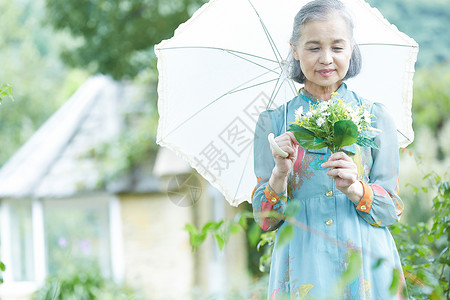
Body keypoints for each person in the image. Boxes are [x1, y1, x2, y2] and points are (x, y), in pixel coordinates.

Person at [251, 0, 405, 299]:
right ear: (294, 50)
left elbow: (392, 211)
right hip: (303, 263)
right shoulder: (274, 124)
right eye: (313, 47)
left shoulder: (375, 117)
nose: (326, 58)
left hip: (366, 261)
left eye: (337, 47)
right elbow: (265, 220)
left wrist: (356, 189)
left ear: (351, 48)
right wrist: (279, 175)